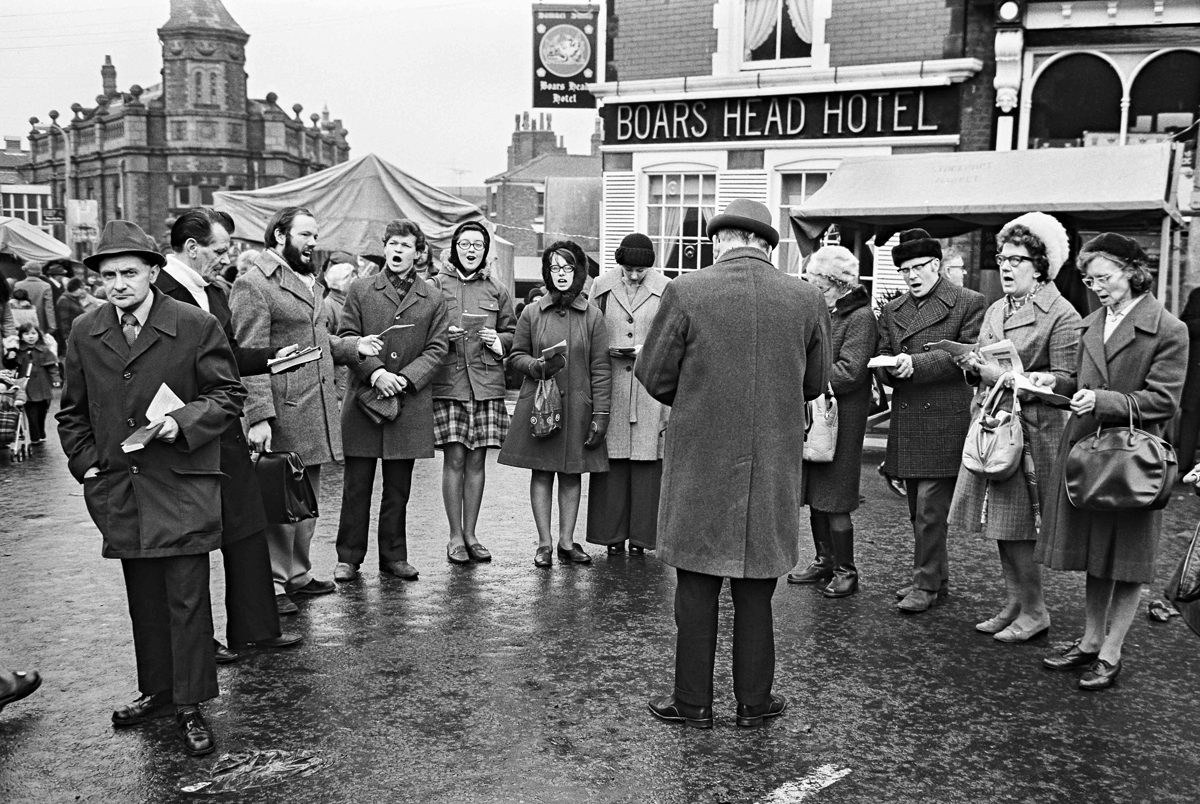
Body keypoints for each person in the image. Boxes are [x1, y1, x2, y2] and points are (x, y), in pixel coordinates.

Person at [637, 199, 829, 729]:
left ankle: (693, 703)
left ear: (721, 242)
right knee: (756, 590)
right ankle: (754, 702)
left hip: (700, 457)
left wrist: (699, 400)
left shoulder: (686, 290)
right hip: (772, 460)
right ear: (768, 246)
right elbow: (814, 383)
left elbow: (653, 374)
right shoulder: (807, 297)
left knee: (695, 587)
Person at [56, 219, 245, 756]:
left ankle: (190, 704)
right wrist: (87, 465)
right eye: (108, 275)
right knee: (145, 598)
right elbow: (71, 412)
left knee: (186, 597)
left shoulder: (192, 323)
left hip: (181, 479)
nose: (118, 284)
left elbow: (227, 394)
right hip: (122, 485)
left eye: (129, 273)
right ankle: (159, 691)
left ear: (153, 272)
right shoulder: (86, 331)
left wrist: (180, 423)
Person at [1038, 232, 1187, 690]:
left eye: (1103, 277)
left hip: (1134, 460)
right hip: (1090, 450)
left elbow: (1163, 401)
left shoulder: (1167, 329)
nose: (1095, 286)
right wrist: (1053, 383)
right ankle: (1088, 640)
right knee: (1096, 553)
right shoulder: (1092, 322)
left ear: (1131, 271)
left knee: (1127, 557)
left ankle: (1111, 650)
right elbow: (1080, 383)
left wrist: (1101, 400)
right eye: (1088, 278)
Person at [157, 207, 303, 663]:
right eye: (220, 250)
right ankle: (199, 641)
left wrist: (274, 357)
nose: (226, 257)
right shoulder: (160, 291)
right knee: (191, 540)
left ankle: (255, 628)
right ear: (193, 248)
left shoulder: (212, 291)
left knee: (245, 524)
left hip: (223, 427)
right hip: (181, 430)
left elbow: (228, 355)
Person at [229, 207, 383, 615]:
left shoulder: (304, 281)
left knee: (306, 498)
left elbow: (316, 339)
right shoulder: (254, 284)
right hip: (284, 408)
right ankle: (275, 584)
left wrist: (352, 347)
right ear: (279, 236)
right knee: (279, 501)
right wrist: (258, 415)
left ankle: (297, 574)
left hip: (312, 408)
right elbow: (250, 356)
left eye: (316, 234)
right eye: (306, 234)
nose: (314, 242)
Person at [947, 213, 1081, 641]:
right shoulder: (997, 308)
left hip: (1033, 432)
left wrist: (1038, 380)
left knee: (1020, 528)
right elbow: (984, 360)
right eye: (1002, 258)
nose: (1005, 266)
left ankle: (1036, 610)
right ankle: (1014, 602)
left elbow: (1069, 377)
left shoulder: (1061, 312)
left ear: (1040, 265)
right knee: (1002, 526)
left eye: (1017, 259)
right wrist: (971, 365)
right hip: (994, 425)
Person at [333, 220, 449, 582]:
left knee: (398, 489)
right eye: (392, 244)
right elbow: (348, 336)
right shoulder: (361, 288)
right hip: (365, 400)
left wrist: (405, 378)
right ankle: (348, 558)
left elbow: (438, 347)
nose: (398, 251)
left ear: (419, 252)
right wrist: (376, 373)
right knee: (356, 487)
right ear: (385, 248)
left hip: (407, 404)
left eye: (406, 245)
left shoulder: (433, 297)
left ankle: (393, 557)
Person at [878, 228, 987, 614]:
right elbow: (883, 353)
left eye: (919, 267)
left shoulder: (968, 303)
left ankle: (925, 584)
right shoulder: (894, 311)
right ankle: (936, 577)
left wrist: (916, 364)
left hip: (945, 419)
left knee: (928, 509)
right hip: (908, 419)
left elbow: (968, 356)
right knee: (917, 510)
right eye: (905, 270)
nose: (912, 276)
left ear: (937, 265)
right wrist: (889, 368)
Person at [499, 241, 610, 567]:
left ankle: (566, 541)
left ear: (579, 273)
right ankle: (544, 544)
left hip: (578, 408)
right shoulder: (532, 313)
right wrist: (536, 367)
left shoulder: (593, 316)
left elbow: (601, 368)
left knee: (573, 474)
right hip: (540, 408)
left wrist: (601, 414)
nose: (561, 274)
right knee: (543, 473)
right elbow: (515, 356)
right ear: (547, 272)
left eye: (568, 268)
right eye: (555, 268)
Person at [787, 245, 877, 597]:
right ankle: (825, 560)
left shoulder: (859, 317)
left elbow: (852, 370)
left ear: (837, 283)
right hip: (819, 416)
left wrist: (804, 377)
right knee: (817, 492)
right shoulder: (828, 311)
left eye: (819, 286)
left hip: (842, 420)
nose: (814, 292)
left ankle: (845, 570)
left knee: (835, 496)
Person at [429, 221, 516, 565]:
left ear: (485, 251)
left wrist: (501, 341)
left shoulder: (496, 288)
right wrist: (441, 336)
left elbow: (513, 332)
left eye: (477, 245)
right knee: (454, 459)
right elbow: (423, 332)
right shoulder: (435, 286)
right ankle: (454, 536)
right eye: (464, 244)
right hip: (449, 383)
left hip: (486, 383)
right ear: (453, 248)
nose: (470, 250)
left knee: (478, 460)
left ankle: (472, 534)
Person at [585, 232, 669, 556]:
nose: (634, 276)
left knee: (648, 463)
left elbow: (672, 335)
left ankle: (643, 539)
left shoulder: (665, 289)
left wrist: (646, 349)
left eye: (640, 271)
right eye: (629, 270)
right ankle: (611, 537)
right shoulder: (601, 286)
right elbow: (590, 332)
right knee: (612, 462)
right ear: (620, 263)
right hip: (612, 388)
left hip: (650, 389)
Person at [6, 323, 58, 444]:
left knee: (43, 411)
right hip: (26, 387)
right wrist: (10, 356)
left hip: (43, 386)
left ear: (38, 335)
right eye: (26, 334)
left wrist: (56, 379)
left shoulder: (44, 350)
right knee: (31, 413)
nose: (30, 336)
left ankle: (41, 431)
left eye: (33, 333)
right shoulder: (18, 351)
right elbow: (11, 365)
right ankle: (35, 437)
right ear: (21, 336)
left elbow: (52, 367)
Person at [1175, 286, 1200, 470]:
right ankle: (1184, 466)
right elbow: (1184, 327)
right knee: (1191, 415)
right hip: (1197, 369)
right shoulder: (1198, 294)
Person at [14, 261, 56, 339]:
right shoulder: (46, 286)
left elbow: (15, 304)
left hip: (21, 321)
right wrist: (52, 325)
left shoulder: (18, 285)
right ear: (39, 272)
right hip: (40, 321)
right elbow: (49, 307)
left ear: (26, 271)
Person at [55, 278, 89, 346]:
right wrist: (67, 337)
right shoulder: (64, 301)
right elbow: (63, 321)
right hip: (71, 335)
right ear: (75, 288)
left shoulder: (74, 299)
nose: (82, 291)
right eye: (81, 288)